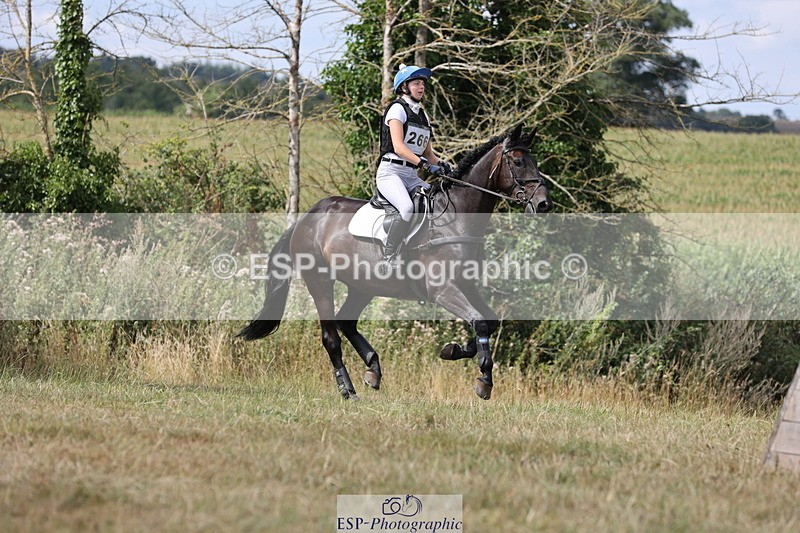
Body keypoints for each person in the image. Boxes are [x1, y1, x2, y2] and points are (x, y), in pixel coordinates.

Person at [376, 64, 451, 264]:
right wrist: (425, 165)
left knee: (438, 202)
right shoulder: (397, 109)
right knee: (407, 208)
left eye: (422, 84)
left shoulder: (423, 116)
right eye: (416, 83)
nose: (421, 87)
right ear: (404, 87)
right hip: (390, 172)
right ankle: (388, 256)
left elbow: (428, 153)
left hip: (410, 175)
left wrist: (445, 165)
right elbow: (399, 147)